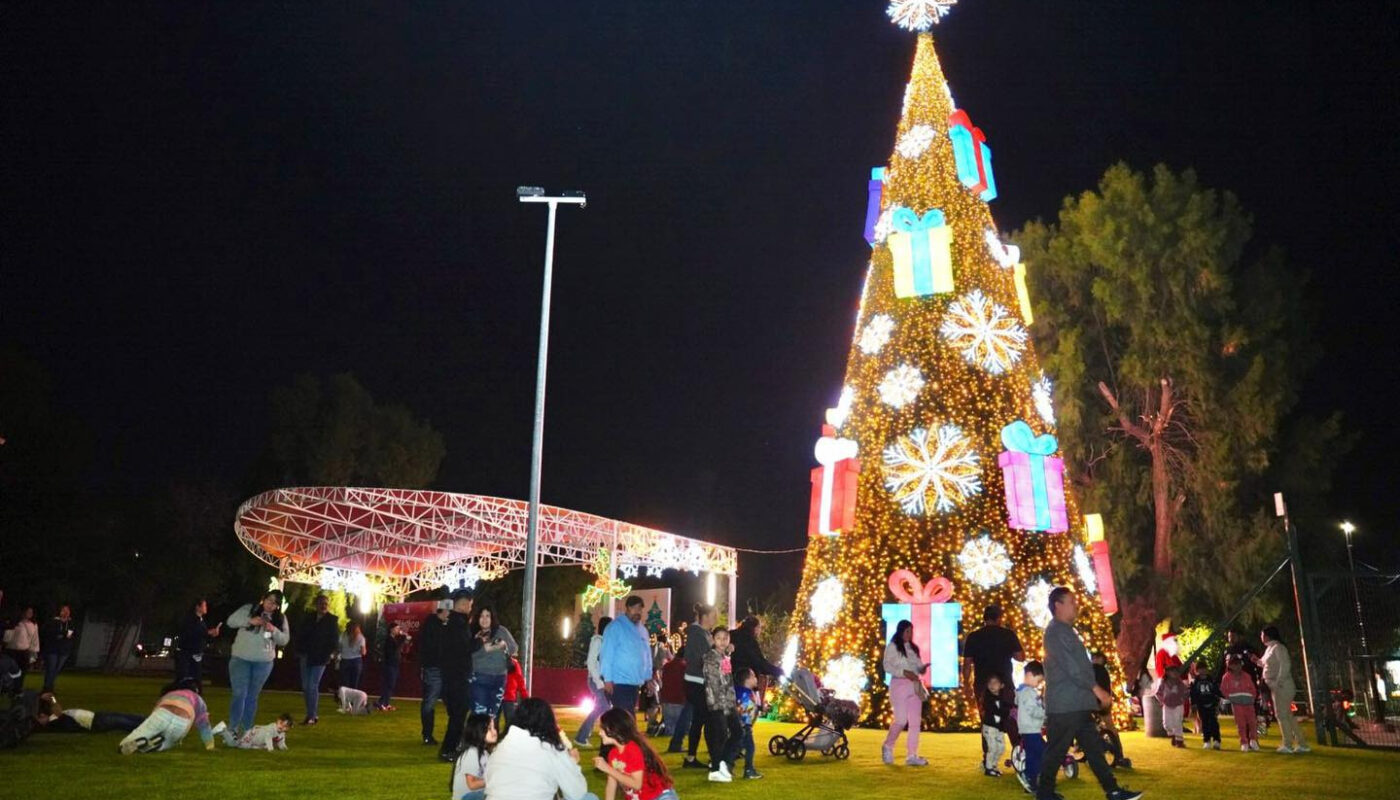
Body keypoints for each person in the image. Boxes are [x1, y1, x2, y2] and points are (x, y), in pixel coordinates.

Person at [1036, 587, 1142, 800]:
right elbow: (1071, 667)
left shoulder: (1064, 631)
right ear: (1058, 605)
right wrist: (1097, 690)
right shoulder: (1056, 632)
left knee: (1093, 750)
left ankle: (1112, 790)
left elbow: (1077, 667)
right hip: (1067, 704)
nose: (1076, 606)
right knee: (1056, 751)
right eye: (1071, 602)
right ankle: (1044, 792)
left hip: (1076, 703)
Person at [482, 698, 598, 800]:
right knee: (589, 798)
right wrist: (572, 763)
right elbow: (576, 793)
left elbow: (489, 781)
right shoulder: (551, 749)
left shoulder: (500, 747)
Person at [962, 603, 1024, 763]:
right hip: (1005, 684)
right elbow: (1020, 657)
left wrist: (967, 685)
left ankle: (988, 759)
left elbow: (967, 663)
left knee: (987, 721)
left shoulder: (974, 636)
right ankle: (1019, 752)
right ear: (999, 618)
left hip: (983, 685)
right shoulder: (1007, 634)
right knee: (1011, 718)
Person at [226, 590, 289, 736]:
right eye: (269, 600)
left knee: (252, 696)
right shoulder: (249, 609)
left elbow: (284, 639)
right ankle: (233, 728)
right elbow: (230, 622)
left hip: (263, 662)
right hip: (240, 659)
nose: (271, 605)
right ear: (263, 599)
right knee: (239, 693)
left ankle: (247, 730)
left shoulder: (280, 618)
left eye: (275, 603)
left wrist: (273, 630)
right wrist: (250, 621)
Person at [595, 706, 679, 800]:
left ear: (614, 728)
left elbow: (636, 784)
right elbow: (611, 785)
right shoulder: (613, 754)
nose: (600, 733)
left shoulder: (633, 749)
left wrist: (607, 768)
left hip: (660, 797)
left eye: (602, 728)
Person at [118, 678, 215, 755]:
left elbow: (154, 713)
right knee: (170, 742)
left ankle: (129, 743)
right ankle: (157, 745)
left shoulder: (170, 694)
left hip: (163, 713)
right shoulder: (198, 700)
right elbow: (204, 725)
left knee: (140, 734)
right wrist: (210, 746)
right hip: (182, 720)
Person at [441, 588, 483, 761]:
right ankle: (449, 749)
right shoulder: (459, 624)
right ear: (464, 604)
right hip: (458, 676)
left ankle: (450, 748)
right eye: (470, 605)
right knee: (458, 715)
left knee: (456, 715)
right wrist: (479, 641)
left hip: (451, 675)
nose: (471, 608)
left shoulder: (451, 623)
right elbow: (465, 649)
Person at [881, 618, 929, 767]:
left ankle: (912, 755)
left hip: (914, 685)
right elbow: (887, 666)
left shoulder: (913, 648)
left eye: (911, 631)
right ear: (901, 631)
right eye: (907, 631)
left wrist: (922, 668)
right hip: (899, 685)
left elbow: (918, 665)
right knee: (901, 720)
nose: (909, 634)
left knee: (915, 723)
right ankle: (888, 746)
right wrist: (904, 672)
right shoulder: (893, 647)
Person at [1258, 625, 1309, 753]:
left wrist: (1278, 681)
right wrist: (1256, 661)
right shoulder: (1270, 649)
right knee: (1287, 715)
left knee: (1282, 714)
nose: (1261, 637)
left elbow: (1285, 664)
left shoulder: (1278, 648)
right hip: (1276, 686)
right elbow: (1264, 663)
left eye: (1262, 635)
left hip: (1282, 686)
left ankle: (1288, 744)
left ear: (1268, 636)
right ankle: (1302, 743)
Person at [600, 596, 653, 717]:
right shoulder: (615, 627)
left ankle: (617, 735)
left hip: (634, 683)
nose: (637, 612)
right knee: (626, 719)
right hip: (618, 683)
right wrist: (607, 679)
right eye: (634, 608)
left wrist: (648, 677)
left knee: (625, 720)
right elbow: (606, 654)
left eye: (640, 609)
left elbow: (647, 655)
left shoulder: (643, 630)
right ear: (627, 609)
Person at [702, 625, 742, 783]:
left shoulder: (724, 656)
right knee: (721, 736)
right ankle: (718, 767)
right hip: (718, 703)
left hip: (728, 702)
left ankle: (721, 765)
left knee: (736, 732)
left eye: (725, 638)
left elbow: (726, 678)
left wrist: (729, 652)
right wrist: (724, 705)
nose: (722, 641)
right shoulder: (711, 658)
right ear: (713, 640)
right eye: (718, 638)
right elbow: (714, 684)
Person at [680, 603, 716, 770]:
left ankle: (692, 757)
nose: (714, 619)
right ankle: (712, 756)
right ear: (705, 617)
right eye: (713, 616)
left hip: (698, 681)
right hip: (696, 682)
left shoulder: (703, 633)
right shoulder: (697, 634)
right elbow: (704, 658)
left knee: (699, 720)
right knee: (706, 719)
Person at [469, 605, 519, 718]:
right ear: (477, 618)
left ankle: (489, 736)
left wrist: (504, 645)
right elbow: (470, 653)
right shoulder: (473, 632)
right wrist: (493, 647)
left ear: (492, 618)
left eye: (488, 616)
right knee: (479, 715)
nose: (485, 619)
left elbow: (514, 648)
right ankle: (476, 735)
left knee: (493, 716)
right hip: (479, 677)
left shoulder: (501, 630)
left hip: (499, 678)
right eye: (481, 616)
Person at [297, 593, 339, 725]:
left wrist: (329, 654)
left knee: (312, 685)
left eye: (326, 604)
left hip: (320, 657)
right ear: (317, 604)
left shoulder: (331, 620)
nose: (323, 606)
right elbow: (301, 633)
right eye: (321, 603)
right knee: (306, 686)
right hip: (306, 655)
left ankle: (312, 715)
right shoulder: (309, 617)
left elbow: (334, 639)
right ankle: (310, 713)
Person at [574, 615, 612, 748]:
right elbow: (591, 662)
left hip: (602, 680)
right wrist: (599, 682)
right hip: (596, 680)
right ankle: (581, 736)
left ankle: (587, 735)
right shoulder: (597, 641)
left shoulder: (606, 642)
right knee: (603, 707)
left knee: (603, 707)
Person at [728, 615, 783, 707]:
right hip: (745, 679)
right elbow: (759, 661)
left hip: (729, 678)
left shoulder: (731, 635)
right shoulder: (749, 640)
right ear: (755, 628)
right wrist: (777, 671)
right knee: (745, 710)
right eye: (759, 628)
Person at [1090, 650, 1131, 768]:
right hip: (1105, 702)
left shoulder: (1091, 670)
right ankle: (1119, 754)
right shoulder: (1105, 671)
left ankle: (1099, 749)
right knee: (1110, 727)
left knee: (1089, 726)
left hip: (1093, 702)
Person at [33, 693, 143, 734]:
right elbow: (58, 712)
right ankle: (148, 727)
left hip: (95, 717)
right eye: (40, 717)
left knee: (125, 717)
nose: (42, 715)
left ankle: (149, 720)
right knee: (124, 722)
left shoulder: (53, 720)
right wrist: (52, 699)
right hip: (95, 722)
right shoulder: (53, 723)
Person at [421, 599, 452, 745]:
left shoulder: (430, 625)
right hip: (436, 668)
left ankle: (428, 734)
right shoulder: (436, 627)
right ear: (445, 611)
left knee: (430, 702)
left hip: (433, 668)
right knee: (430, 702)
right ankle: (428, 734)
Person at [1015, 661, 1046, 794]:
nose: (1039, 684)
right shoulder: (1028, 692)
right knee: (1043, 753)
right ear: (1029, 675)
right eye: (1038, 680)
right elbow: (1033, 710)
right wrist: (1045, 715)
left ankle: (1031, 781)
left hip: (1028, 729)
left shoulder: (1022, 691)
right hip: (1031, 729)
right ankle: (1029, 777)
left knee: (1032, 756)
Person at [451, 712, 497, 800]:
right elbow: (472, 784)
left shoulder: (485, 753)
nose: (494, 732)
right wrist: (495, 780)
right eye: (489, 728)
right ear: (478, 731)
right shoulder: (471, 753)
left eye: (494, 727)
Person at [175, 599, 221, 685]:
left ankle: (194, 693)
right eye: (204, 605)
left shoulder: (201, 621)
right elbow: (191, 633)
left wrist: (211, 634)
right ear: (198, 607)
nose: (206, 608)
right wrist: (208, 632)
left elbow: (202, 636)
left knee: (196, 677)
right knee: (185, 677)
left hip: (197, 652)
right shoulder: (191, 619)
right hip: (188, 653)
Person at [1220, 654, 1260, 751]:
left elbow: (1252, 688)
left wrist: (1252, 697)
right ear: (1230, 666)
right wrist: (1230, 697)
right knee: (1241, 723)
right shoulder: (1227, 677)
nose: (1237, 667)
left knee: (1252, 722)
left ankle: (1253, 740)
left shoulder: (1246, 676)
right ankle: (1244, 742)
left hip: (1249, 703)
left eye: (1238, 664)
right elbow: (1223, 689)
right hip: (1237, 704)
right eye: (1235, 665)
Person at [732, 667, 763, 780]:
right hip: (744, 726)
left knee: (736, 747)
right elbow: (745, 711)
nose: (756, 679)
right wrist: (747, 724)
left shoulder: (741, 691)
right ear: (747, 680)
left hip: (739, 725)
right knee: (749, 747)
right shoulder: (746, 694)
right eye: (754, 676)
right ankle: (748, 770)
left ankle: (726, 767)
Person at [660, 650, 691, 753]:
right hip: (679, 700)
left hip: (666, 700)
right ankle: (676, 745)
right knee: (681, 725)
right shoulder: (684, 667)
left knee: (670, 727)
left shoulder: (667, 666)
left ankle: (671, 742)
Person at [39, 604, 74, 692]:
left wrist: (63, 634)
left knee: (56, 670)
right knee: (51, 668)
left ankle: (49, 686)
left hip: (64, 650)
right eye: (64, 610)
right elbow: (51, 632)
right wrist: (63, 633)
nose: (66, 612)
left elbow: (71, 633)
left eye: (67, 610)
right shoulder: (54, 621)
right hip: (53, 649)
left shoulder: (70, 623)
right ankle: (47, 687)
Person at [981, 673, 1011, 776]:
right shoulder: (988, 699)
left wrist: (1012, 707)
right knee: (992, 747)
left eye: (995, 682)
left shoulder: (1002, 699)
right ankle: (989, 768)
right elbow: (994, 710)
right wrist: (1006, 712)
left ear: (1002, 685)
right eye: (990, 683)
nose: (992, 685)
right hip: (990, 728)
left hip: (999, 728)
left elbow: (1005, 706)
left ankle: (993, 765)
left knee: (1001, 747)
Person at [1189, 659, 1222, 749]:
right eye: (1200, 669)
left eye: (1204, 668)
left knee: (1214, 722)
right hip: (1201, 705)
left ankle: (1216, 740)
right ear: (1197, 670)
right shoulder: (1195, 682)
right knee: (1204, 723)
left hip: (1212, 704)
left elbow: (1216, 691)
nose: (1202, 671)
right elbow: (1193, 694)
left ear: (1207, 669)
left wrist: (1218, 700)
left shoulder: (1212, 680)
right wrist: (1193, 704)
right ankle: (1206, 740)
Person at [216, 712, 292, 750]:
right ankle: (223, 730)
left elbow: (281, 742)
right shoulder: (271, 729)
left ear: (288, 729)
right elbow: (268, 739)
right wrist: (271, 749)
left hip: (254, 740)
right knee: (234, 744)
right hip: (251, 736)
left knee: (243, 745)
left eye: (285, 726)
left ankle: (231, 736)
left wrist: (284, 748)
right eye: (281, 723)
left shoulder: (282, 734)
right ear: (277, 721)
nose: (282, 727)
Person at [1153, 665, 1188, 747]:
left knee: (1177, 722)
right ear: (1167, 672)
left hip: (1178, 705)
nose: (1174, 673)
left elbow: (1186, 692)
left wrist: (1182, 699)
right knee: (1166, 724)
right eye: (1172, 671)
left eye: (1176, 671)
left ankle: (1179, 740)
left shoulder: (1180, 683)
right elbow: (1157, 693)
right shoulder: (1163, 682)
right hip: (1167, 705)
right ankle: (1173, 735)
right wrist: (1162, 701)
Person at [2, 606, 40, 679]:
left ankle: (18, 688)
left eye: (31, 612)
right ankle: (9, 686)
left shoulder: (34, 625)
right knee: (11, 670)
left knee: (22, 671)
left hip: (25, 651)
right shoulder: (16, 623)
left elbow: (35, 639)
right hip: (12, 650)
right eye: (28, 611)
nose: (30, 613)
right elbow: (8, 635)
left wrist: (33, 652)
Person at [378, 620, 408, 712]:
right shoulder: (389, 640)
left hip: (394, 664)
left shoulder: (394, 639)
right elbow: (392, 651)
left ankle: (384, 702)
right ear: (391, 629)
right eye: (397, 628)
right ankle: (384, 703)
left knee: (390, 684)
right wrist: (403, 638)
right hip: (389, 665)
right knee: (389, 684)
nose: (398, 630)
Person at [339, 619, 367, 691]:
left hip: (345, 660)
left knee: (345, 683)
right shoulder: (361, 637)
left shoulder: (343, 635)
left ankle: (345, 700)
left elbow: (339, 648)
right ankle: (353, 700)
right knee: (354, 683)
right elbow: (363, 652)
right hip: (356, 661)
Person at [500, 656, 526, 727]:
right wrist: (524, 695)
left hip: (497, 695)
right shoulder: (514, 663)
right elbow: (520, 680)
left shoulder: (495, 660)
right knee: (510, 722)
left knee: (494, 721)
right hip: (509, 696)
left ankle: (494, 736)